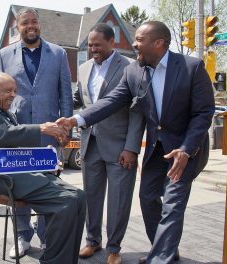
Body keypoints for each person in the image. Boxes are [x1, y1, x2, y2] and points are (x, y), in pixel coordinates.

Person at [57, 21, 215, 264]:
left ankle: (160, 258)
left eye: (140, 40)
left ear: (159, 43)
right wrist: (76, 119)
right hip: (156, 151)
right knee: (148, 198)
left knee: (172, 204)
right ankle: (165, 251)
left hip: (184, 150)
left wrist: (185, 149)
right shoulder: (134, 72)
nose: (134, 45)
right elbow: (111, 101)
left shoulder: (191, 67)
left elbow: (203, 113)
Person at [0, 72, 85, 264]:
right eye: (8, 91)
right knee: (66, 201)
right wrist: (40, 129)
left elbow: (16, 149)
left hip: (16, 171)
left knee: (79, 197)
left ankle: (65, 259)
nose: (13, 95)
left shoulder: (8, 113)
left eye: (15, 91)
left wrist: (45, 160)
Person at [0, 7, 73, 258]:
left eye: (34, 22)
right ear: (17, 28)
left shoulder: (58, 53)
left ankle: (47, 236)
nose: (31, 26)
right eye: (25, 23)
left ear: (40, 25)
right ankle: (22, 236)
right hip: (17, 133)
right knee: (17, 185)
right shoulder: (5, 54)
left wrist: (66, 129)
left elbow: (65, 93)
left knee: (48, 185)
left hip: (49, 133)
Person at [73, 24, 145, 264]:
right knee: (91, 197)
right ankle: (93, 241)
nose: (93, 49)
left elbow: (137, 111)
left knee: (118, 201)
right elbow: (78, 100)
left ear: (112, 42)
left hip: (120, 147)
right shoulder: (83, 69)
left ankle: (114, 248)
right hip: (90, 143)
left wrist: (132, 147)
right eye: (89, 45)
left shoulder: (130, 67)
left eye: (97, 45)